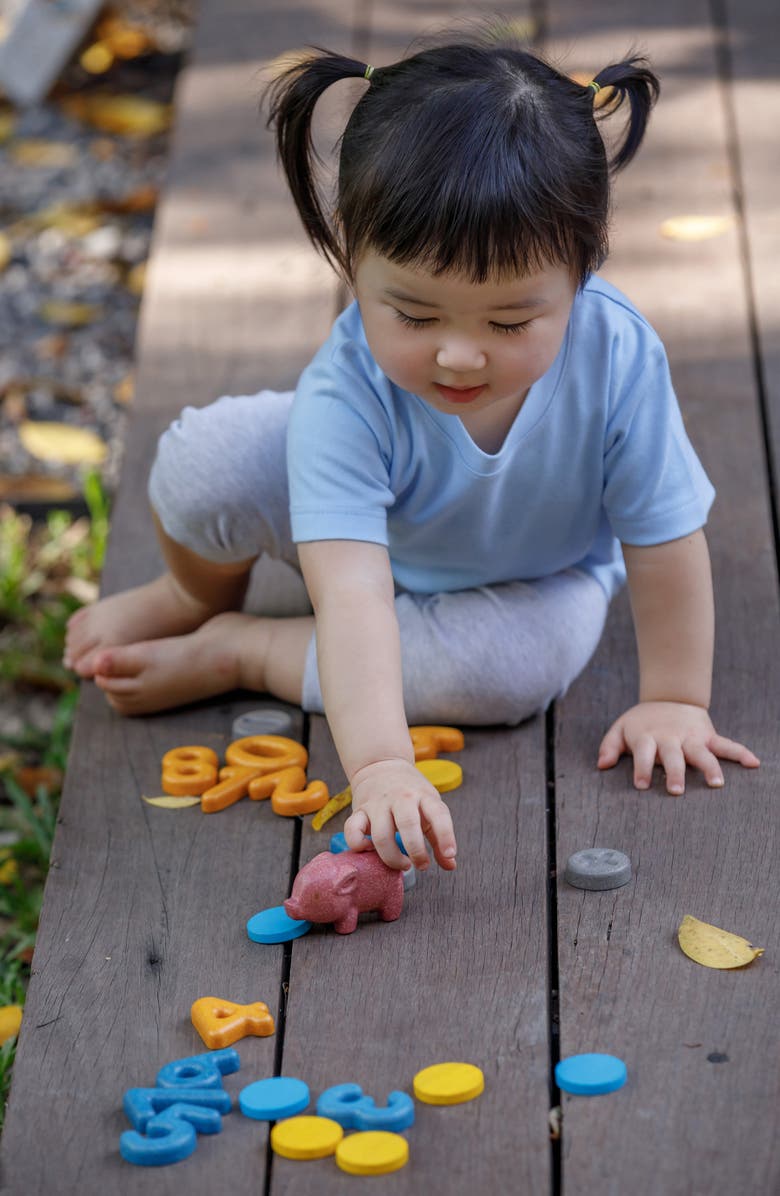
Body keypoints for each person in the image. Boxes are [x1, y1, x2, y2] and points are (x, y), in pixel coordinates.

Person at [64, 37, 759, 876]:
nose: (459, 356)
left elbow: (665, 538)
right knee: (203, 462)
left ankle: (241, 650)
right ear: (352, 259)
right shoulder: (345, 391)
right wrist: (382, 765)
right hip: (362, 547)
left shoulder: (618, 354)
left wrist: (675, 698)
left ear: (582, 269)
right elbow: (352, 595)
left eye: (510, 322)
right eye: (416, 316)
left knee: (514, 671)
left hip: (537, 574)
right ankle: (193, 595)